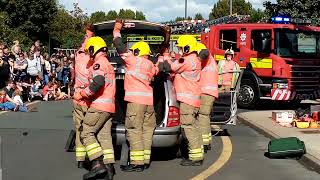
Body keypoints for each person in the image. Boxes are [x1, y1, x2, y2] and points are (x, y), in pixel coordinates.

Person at [113, 20, 158, 172]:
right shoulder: (151, 65)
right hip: (149, 102)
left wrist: (117, 30)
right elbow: (159, 69)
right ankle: (145, 160)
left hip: (136, 102)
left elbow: (119, 46)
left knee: (134, 130)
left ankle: (137, 163)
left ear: (137, 52)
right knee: (146, 131)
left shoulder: (133, 60)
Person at [74, 36, 116, 180]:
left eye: (89, 50)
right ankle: (109, 169)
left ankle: (98, 164)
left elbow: (98, 83)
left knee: (86, 132)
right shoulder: (108, 64)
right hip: (110, 106)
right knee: (104, 136)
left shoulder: (98, 64)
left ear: (93, 49)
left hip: (99, 105)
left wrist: (82, 94)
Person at [163, 35, 204, 166]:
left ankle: (195, 158)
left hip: (187, 100)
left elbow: (169, 67)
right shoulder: (195, 60)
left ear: (187, 47)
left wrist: (164, 55)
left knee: (188, 127)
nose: (180, 50)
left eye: (181, 47)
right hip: (194, 99)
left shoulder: (185, 61)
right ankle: (198, 153)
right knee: (195, 127)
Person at [71, 24, 94, 169]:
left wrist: (89, 33)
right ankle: (94, 158)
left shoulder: (79, 55)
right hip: (88, 97)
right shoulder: (91, 61)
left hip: (77, 96)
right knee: (90, 129)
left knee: (79, 128)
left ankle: (80, 158)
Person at [196, 43, 219, 152]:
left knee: (202, 116)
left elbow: (204, 52)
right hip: (210, 91)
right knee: (205, 117)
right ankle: (207, 141)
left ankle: (204, 143)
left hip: (205, 91)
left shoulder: (206, 57)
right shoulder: (211, 62)